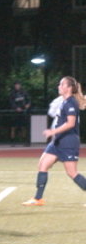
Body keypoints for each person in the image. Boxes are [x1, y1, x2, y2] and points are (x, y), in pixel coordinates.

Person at [22, 76, 86, 206]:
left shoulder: (70, 103)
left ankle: (38, 198)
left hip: (68, 142)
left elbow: (71, 123)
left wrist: (53, 131)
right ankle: (38, 198)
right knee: (43, 165)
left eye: (62, 84)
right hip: (58, 141)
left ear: (69, 88)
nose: (59, 86)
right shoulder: (64, 101)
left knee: (72, 173)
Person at [9, 81, 31, 146]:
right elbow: (11, 102)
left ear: (20, 85)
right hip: (15, 113)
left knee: (24, 127)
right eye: (16, 85)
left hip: (23, 112)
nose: (17, 86)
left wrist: (27, 105)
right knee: (13, 127)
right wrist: (16, 108)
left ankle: (25, 141)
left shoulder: (24, 92)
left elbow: (29, 100)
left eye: (18, 85)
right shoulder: (12, 93)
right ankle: (12, 142)